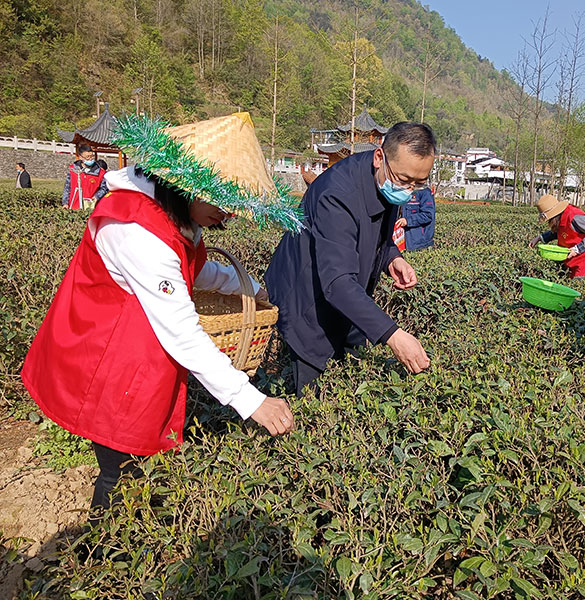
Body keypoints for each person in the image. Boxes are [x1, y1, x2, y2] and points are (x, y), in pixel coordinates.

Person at [22, 112, 301, 516]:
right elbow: (182, 330)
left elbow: (192, 268)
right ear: (188, 183)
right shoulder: (136, 230)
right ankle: (100, 545)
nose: (228, 214)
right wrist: (250, 400)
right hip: (106, 359)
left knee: (141, 467)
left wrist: (249, 287)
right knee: (120, 471)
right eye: (222, 200)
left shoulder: (174, 214)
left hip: (136, 354)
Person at [265, 122, 435, 397]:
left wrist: (392, 258)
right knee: (314, 401)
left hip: (348, 299)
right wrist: (393, 335)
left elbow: (376, 235)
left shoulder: (387, 177)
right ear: (379, 157)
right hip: (307, 301)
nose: (409, 190)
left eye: (419, 183)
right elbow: (337, 282)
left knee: (353, 380)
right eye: (405, 181)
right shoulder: (336, 194)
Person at [529, 194, 585, 278]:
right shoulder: (561, 217)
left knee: (578, 284)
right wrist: (539, 238)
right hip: (574, 259)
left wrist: (577, 249)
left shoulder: (575, 216)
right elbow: (559, 231)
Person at [62, 143, 108, 209]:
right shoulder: (73, 170)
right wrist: (65, 203)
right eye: (87, 157)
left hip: (90, 207)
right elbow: (67, 188)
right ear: (80, 157)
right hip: (73, 206)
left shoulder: (101, 173)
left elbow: (104, 188)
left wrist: (96, 197)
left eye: (92, 156)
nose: (90, 159)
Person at [396, 186, 435, 251]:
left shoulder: (425, 192)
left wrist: (407, 221)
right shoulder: (401, 191)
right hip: (401, 240)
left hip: (419, 243)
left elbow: (428, 215)